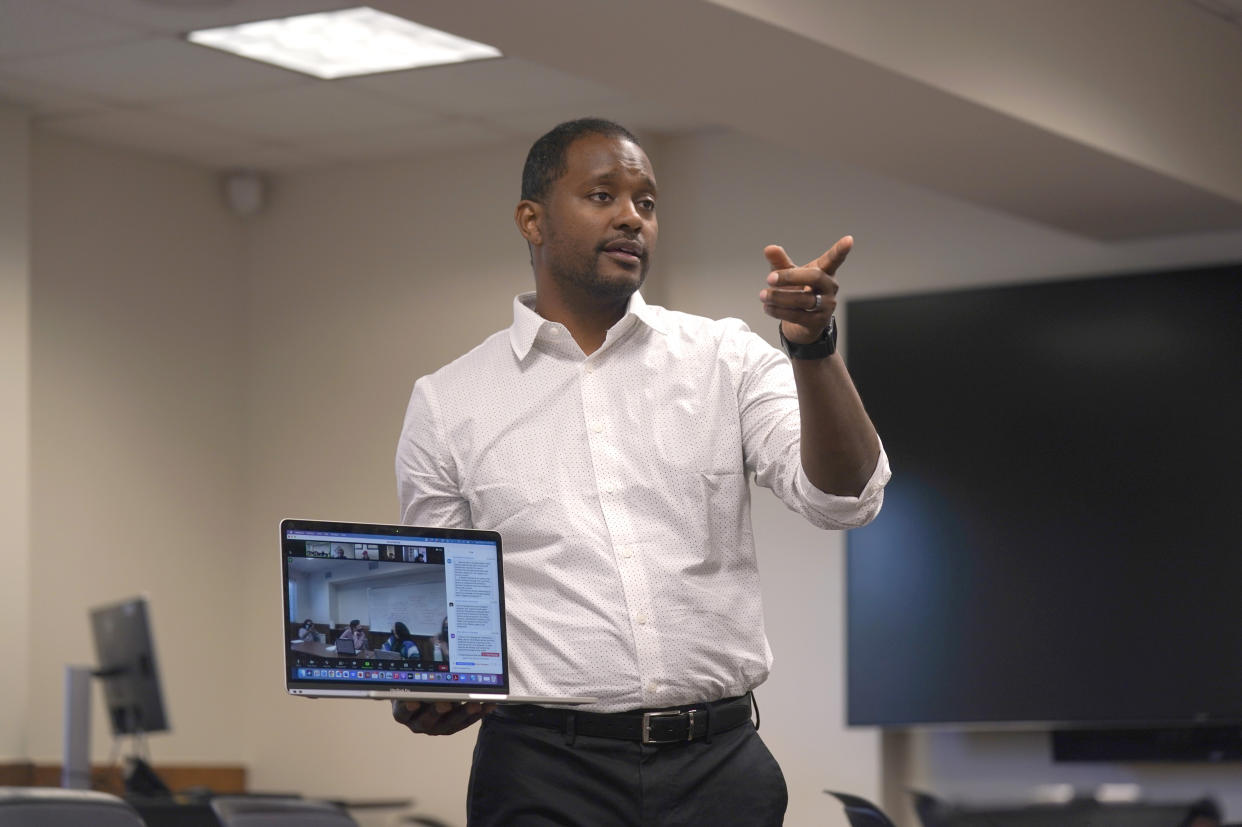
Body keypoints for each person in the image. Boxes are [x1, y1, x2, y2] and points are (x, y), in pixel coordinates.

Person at [392, 118, 889, 826]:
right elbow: (445, 616)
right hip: (542, 771)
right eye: (602, 195)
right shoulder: (449, 401)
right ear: (532, 220)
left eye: (647, 203)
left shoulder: (725, 357)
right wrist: (430, 693)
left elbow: (846, 500)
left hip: (718, 767)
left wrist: (813, 347)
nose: (631, 216)